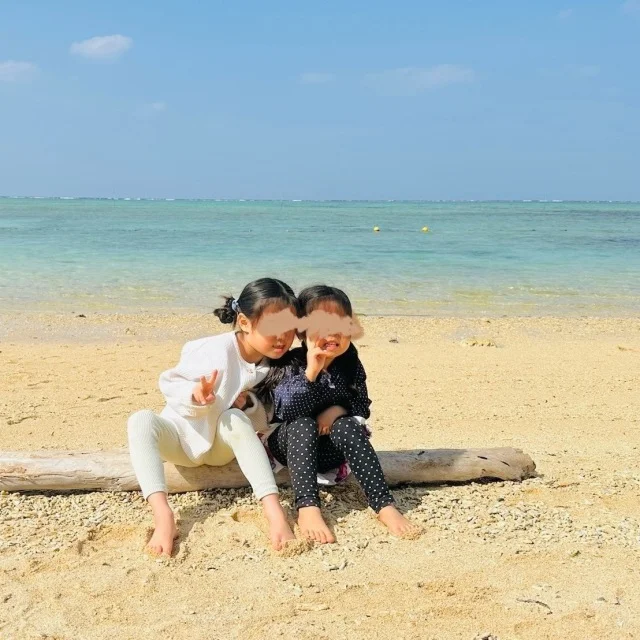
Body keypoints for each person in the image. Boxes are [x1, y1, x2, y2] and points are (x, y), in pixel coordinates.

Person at [127, 277, 299, 556]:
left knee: (235, 418)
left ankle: (274, 513)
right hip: (180, 440)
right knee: (140, 420)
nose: (283, 338)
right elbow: (169, 384)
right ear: (244, 322)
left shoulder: (276, 365)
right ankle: (163, 516)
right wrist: (195, 395)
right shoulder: (212, 350)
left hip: (221, 448)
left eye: (290, 328)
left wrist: (248, 405)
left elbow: (265, 421)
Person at [259, 285, 420, 544]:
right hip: (291, 446)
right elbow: (284, 410)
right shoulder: (291, 362)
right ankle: (308, 507)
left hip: (330, 452)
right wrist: (310, 372)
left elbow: (362, 404)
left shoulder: (350, 363)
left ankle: (384, 505)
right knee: (302, 424)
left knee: (347, 425)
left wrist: (337, 410)